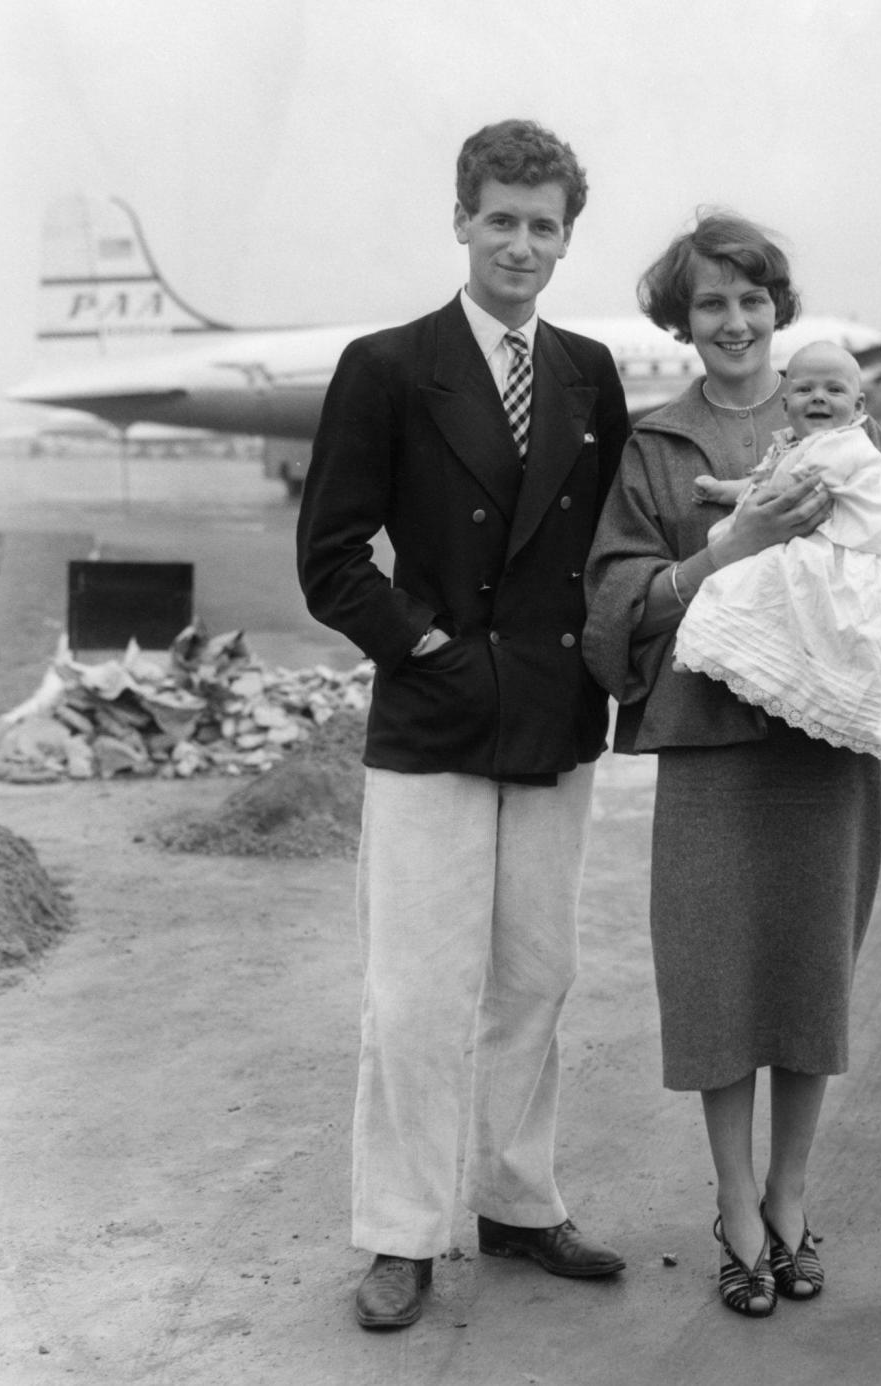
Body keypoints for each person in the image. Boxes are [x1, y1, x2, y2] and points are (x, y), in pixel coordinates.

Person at [583, 212, 881, 1318]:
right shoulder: (656, 449)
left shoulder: (855, 433)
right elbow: (613, 611)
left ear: (778, 312)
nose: (735, 321)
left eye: (752, 301)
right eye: (711, 303)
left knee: (807, 979)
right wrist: (726, 552)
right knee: (715, 982)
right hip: (709, 754)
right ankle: (735, 1204)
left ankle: (793, 1197)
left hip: (824, 755)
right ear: (681, 320)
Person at [297, 118, 631, 1331]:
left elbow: (615, 543)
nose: (522, 244)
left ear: (565, 238)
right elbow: (331, 559)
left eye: (544, 226)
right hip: (434, 717)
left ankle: (515, 1200)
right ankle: (399, 1235)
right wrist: (422, 643)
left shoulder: (592, 371)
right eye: (502, 218)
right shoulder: (388, 365)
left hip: (552, 717)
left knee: (538, 977)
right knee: (414, 990)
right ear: (461, 220)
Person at [673, 339, 881, 760]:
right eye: (804, 390)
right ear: (785, 404)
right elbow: (767, 479)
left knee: (761, 590)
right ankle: (765, 678)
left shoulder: (842, 445)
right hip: (831, 549)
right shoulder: (800, 448)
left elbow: (779, 490)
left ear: (858, 405)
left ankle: (760, 673)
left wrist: (736, 526)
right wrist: (727, 490)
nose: (818, 397)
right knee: (793, 610)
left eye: (834, 390)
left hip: (849, 559)